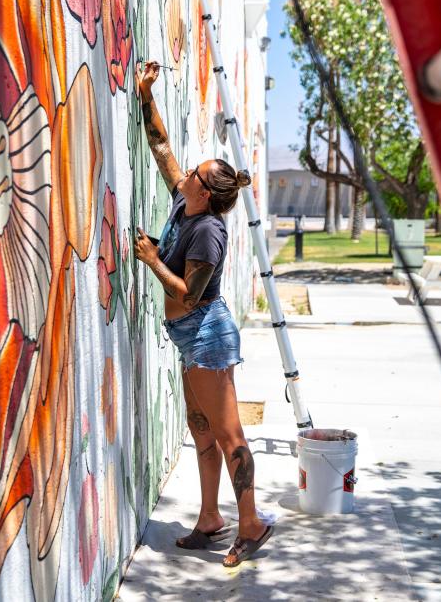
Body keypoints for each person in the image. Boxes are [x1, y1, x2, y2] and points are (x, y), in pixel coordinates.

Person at [132, 61, 273, 568]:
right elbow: (162, 150)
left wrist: (151, 260)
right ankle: (210, 517)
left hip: (208, 335)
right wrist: (147, 95)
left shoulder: (208, 231)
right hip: (188, 337)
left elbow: (190, 295)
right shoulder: (182, 202)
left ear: (206, 192)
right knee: (200, 428)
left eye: (196, 173)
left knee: (230, 433)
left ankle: (251, 524)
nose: (187, 172)